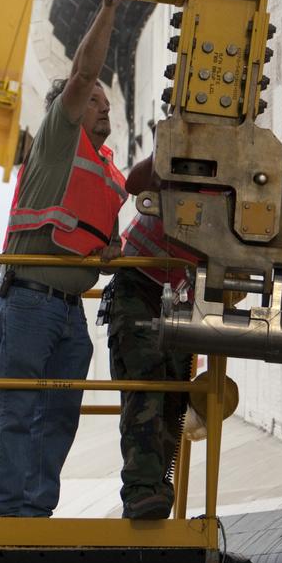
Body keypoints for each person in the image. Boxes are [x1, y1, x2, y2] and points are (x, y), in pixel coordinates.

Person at [0, 0, 127, 517]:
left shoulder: (109, 174)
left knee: (60, 413)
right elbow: (83, 74)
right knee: (17, 406)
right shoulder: (58, 141)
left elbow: (99, 245)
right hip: (29, 303)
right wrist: (109, 7)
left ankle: (33, 511)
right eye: (94, 100)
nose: (103, 104)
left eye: (105, 102)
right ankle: (4, 510)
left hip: (68, 314)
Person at [107, 155, 196, 520]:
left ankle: (156, 489)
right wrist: (170, 145)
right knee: (145, 385)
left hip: (179, 295)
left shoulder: (245, 155)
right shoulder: (182, 147)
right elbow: (134, 183)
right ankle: (143, 491)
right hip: (139, 282)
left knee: (175, 392)